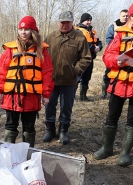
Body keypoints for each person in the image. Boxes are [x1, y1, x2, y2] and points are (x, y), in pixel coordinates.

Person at [93, 1, 133, 167]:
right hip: (119, 82)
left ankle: (125, 153)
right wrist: (118, 61)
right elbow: (107, 57)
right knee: (112, 116)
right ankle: (107, 148)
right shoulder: (121, 34)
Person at [0, 16, 54, 147]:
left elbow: (47, 73)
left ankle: (27, 154)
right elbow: (1, 71)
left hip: (31, 96)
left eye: (27, 29)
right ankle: (8, 153)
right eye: (21, 29)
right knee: (10, 126)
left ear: (33, 31)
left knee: (29, 127)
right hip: (12, 96)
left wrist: (46, 94)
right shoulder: (10, 50)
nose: (23, 32)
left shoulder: (41, 51)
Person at [43, 11, 91, 145]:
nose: (64, 25)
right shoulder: (50, 37)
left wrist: (75, 71)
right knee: (49, 105)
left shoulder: (80, 38)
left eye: (67, 22)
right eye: (62, 22)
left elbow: (86, 58)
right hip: (51, 80)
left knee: (66, 106)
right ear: (58, 22)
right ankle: (50, 129)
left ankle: (63, 131)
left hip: (70, 80)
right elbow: (43, 56)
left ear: (72, 22)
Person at [75, 13, 103, 101]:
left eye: (90, 20)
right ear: (82, 21)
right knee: (77, 76)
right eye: (87, 20)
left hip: (90, 58)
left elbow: (99, 42)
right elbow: (82, 43)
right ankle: (71, 95)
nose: (89, 22)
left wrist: (99, 47)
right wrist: (94, 48)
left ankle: (83, 96)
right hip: (81, 58)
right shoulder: (78, 31)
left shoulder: (93, 31)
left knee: (87, 77)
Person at [101, 9, 129, 99]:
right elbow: (108, 40)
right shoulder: (113, 26)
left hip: (127, 56)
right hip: (114, 54)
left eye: (127, 16)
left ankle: (122, 93)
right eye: (123, 16)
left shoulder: (130, 27)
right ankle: (104, 92)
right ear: (119, 16)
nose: (125, 17)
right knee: (108, 73)